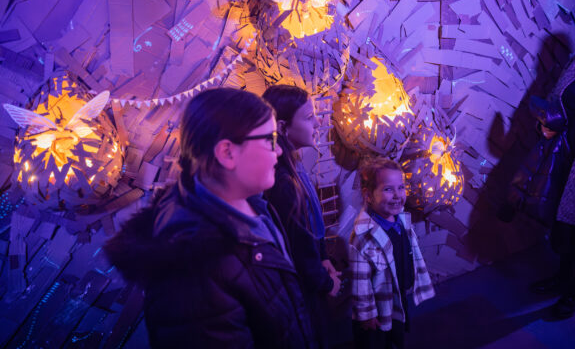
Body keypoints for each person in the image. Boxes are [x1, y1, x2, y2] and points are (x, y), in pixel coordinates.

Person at [103, 87, 317, 348]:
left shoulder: (254, 209)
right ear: (227, 153)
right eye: (268, 140)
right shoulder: (192, 274)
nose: (280, 151)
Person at [262, 85, 342, 348]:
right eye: (309, 118)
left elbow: (309, 229)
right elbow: (297, 246)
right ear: (283, 128)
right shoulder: (282, 182)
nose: (318, 122)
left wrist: (324, 257)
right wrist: (324, 282)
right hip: (302, 292)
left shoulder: (294, 167)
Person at [529, 48, 575, 319]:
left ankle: (573, 291)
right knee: (562, 225)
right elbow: (555, 101)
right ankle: (561, 275)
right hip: (563, 154)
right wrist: (545, 125)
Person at [349, 157, 434, 349]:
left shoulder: (401, 221)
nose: (397, 195)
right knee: (375, 342)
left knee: (396, 335)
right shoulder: (364, 235)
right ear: (368, 195)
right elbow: (360, 280)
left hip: (397, 294)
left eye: (401, 188)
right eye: (388, 189)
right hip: (376, 307)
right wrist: (366, 314)